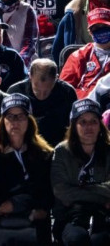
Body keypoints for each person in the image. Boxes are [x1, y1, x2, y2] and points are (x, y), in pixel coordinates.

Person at [0, 93, 53, 245]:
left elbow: (45, 192)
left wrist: (17, 204)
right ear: (2, 120)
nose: (15, 122)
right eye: (10, 116)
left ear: (29, 120)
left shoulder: (43, 154)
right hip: (0, 222)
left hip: (35, 219)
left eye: (20, 116)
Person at [51, 98, 110, 245]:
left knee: (100, 240)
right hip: (71, 216)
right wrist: (102, 196)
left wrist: (81, 189)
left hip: (104, 215)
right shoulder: (61, 152)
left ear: (100, 125)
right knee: (77, 239)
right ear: (74, 125)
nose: (88, 127)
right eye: (83, 122)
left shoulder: (108, 151)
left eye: (93, 121)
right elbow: (62, 191)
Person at [7, 58, 77, 146]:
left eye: (47, 91)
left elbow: (72, 128)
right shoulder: (16, 92)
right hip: (25, 144)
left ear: (56, 78)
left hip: (58, 144)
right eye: (37, 90)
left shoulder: (68, 93)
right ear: (30, 76)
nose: (42, 96)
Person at [60, 7, 110, 99]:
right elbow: (64, 89)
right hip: (85, 106)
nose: (101, 30)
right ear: (90, 32)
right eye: (96, 28)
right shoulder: (78, 55)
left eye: (105, 27)